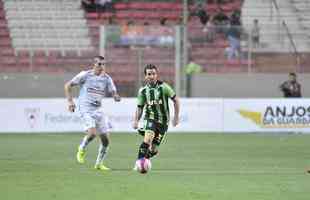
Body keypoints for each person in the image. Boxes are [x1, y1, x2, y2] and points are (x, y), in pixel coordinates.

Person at [64, 56, 121, 171]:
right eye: (99, 64)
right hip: (85, 108)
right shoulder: (85, 75)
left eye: (104, 64)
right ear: (94, 64)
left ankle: (99, 164)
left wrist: (115, 95)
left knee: (105, 140)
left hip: (98, 110)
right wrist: (70, 102)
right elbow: (67, 85)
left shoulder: (106, 78)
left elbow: (113, 90)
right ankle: (81, 148)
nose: (102, 66)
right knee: (92, 133)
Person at [132, 64, 180, 168]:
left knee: (153, 149)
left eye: (153, 74)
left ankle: (146, 159)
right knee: (148, 139)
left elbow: (176, 100)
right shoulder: (143, 91)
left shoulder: (164, 87)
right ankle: (139, 163)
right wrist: (136, 120)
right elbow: (140, 107)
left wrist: (176, 117)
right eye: (149, 74)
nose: (151, 76)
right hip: (150, 119)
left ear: (156, 75)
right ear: (145, 76)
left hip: (163, 122)